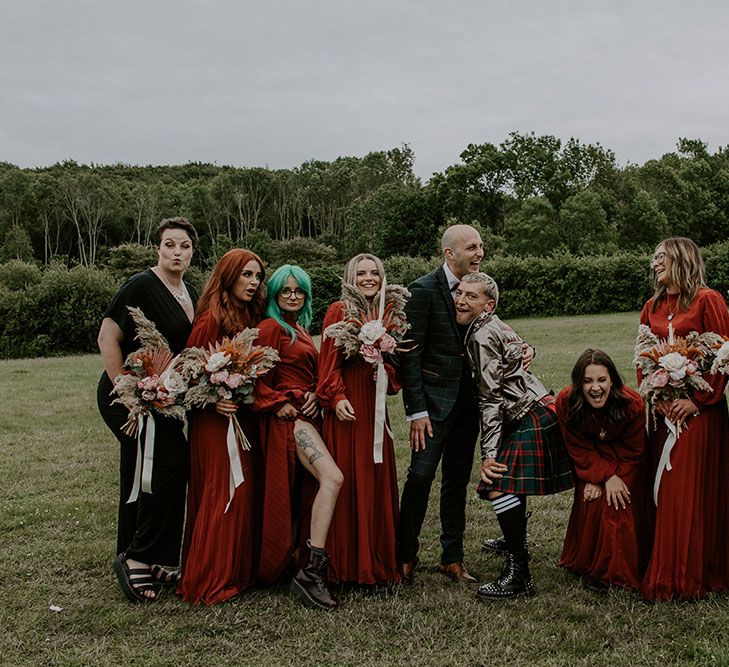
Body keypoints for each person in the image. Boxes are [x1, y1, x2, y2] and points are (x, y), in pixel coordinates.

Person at [97, 217, 199, 603]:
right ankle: (138, 557)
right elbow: (108, 335)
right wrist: (128, 388)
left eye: (184, 246)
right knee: (165, 466)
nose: (177, 252)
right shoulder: (142, 284)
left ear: (192, 251)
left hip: (164, 400)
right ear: (158, 247)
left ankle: (145, 552)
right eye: (170, 244)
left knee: (147, 469)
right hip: (127, 397)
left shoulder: (189, 290)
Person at [456, 272, 573, 599]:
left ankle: (518, 572)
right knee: (507, 485)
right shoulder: (492, 324)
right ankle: (513, 541)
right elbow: (520, 347)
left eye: (471, 296)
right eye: (460, 293)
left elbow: (491, 398)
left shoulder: (481, 334)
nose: (461, 300)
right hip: (538, 405)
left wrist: (488, 454)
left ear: (488, 305)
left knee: (498, 482)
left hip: (528, 413)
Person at [639, 237, 729, 601]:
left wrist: (699, 399)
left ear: (681, 259)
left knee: (686, 491)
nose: (655, 262)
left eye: (661, 256)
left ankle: (684, 576)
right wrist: (656, 397)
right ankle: (665, 567)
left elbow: (724, 354)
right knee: (663, 490)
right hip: (662, 414)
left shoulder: (708, 300)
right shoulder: (651, 305)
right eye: (654, 257)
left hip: (699, 415)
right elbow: (642, 355)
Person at [397, 224, 486, 584]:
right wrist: (416, 411)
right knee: (419, 477)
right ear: (449, 253)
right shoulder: (422, 291)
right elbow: (410, 356)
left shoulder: (481, 287)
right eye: (471, 247)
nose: (479, 253)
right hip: (432, 407)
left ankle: (452, 557)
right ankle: (404, 555)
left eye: (481, 246)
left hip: (470, 405)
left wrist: (524, 349)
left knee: (457, 480)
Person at [177, 249, 265, 605]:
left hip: (240, 417)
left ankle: (234, 572)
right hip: (214, 421)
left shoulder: (250, 314)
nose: (253, 282)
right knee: (222, 492)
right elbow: (185, 376)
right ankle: (208, 579)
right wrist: (213, 399)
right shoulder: (209, 319)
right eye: (246, 275)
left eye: (257, 276)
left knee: (240, 491)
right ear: (228, 276)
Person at [253, 264, 343, 610]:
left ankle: (298, 562)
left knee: (303, 495)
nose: (292, 296)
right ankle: (311, 573)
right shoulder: (270, 327)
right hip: (291, 423)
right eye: (285, 291)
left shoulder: (300, 328)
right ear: (274, 295)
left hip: (309, 414)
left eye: (299, 290)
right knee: (332, 478)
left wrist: (315, 394)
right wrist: (279, 402)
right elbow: (253, 379)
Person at [317, 253, 402, 589]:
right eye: (362, 273)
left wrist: (385, 359)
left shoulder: (387, 314)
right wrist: (337, 398)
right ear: (351, 277)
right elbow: (328, 364)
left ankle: (377, 560)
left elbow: (395, 373)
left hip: (374, 405)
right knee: (351, 478)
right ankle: (346, 565)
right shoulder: (339, 311)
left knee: (375, 475)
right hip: (348, 407)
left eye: (375, 273)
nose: (369, 279)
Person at [556, 349, 650, 593]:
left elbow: (635, 450)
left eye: (601, 380)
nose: (595, 388)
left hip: (627, 460)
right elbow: (576, 446)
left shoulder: (633, 404)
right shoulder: (567, 402)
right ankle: (589, 563)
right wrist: (600, 477)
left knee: (617, 501)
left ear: (613, 381)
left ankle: (616, 572)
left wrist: (612, 478)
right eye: (587, 381)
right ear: (578, 384)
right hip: (590, 458)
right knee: (593, 497)